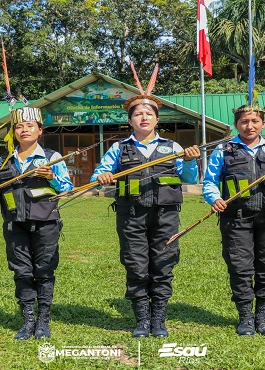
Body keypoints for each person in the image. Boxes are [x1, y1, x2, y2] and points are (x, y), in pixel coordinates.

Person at [91, 65, 200, 338]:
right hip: (131, 215)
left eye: (148, 113)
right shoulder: (119, 148)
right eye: (138, 114)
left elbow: (188, 177)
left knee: (163, 263)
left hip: (166, 214)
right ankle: (141, 319)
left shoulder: (173, 147)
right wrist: (103, 176)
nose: (143, 117)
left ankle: (158, 320)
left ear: (156, 119)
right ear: (130, 120)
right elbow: (97, 175)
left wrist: (190, 160)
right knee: (136, 264)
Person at [0, 107, 73, 340]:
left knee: (44, 271)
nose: (24, 129)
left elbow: (67, 188)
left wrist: (52, 177)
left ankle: (43, 322)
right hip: (14, 224)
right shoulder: (5, 160)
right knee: (22, 272)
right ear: (14, 132)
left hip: (46, 223)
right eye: (19, 126)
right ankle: (28, 320)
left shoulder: (51, 157)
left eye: (30, 126)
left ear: (39, 130)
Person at [202, 103, 265, 337]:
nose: (250, 126)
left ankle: (263, 318)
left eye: (255, 121)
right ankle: (245, 317)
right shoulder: (224, 150)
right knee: (240, 267)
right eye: (244, 122)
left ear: (263, 124)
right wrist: (214, 198)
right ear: (236, 125)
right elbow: (209, 181)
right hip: (235, 218)